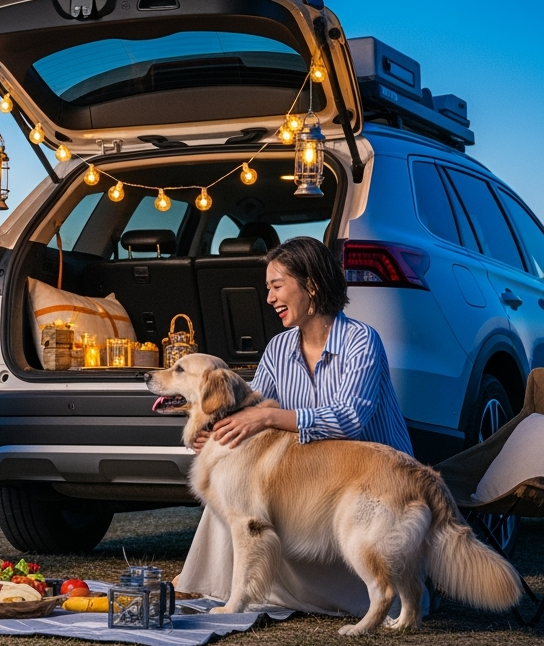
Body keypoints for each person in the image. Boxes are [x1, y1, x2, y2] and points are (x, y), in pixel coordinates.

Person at [175, 235, 419, 617]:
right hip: (311, 486)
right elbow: (249, 405)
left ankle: (319, 593)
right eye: (268, 288)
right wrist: (215, 427)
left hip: (373, 490)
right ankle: (216, 588)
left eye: (276, 286)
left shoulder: (361, 341)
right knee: (230, 484)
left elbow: (349, 418)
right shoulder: (279, 348)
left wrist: (270, 417)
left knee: (244, 497)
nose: (269, 298)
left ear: (312, 285)